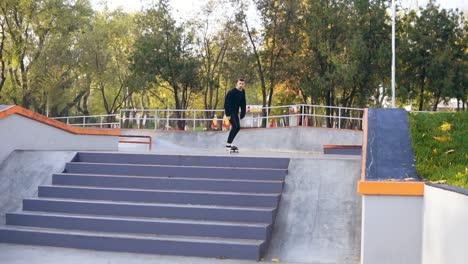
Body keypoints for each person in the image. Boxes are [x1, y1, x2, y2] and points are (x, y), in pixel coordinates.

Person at [224, 78, 246, 151]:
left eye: (242, 84)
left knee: (238, 127)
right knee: (235, 126)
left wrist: (243, 112)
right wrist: (228, 114)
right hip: (230, 112)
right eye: (240, 83)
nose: (241, 85)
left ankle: (229, 143)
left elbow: (243, 103)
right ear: (237, 83)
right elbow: (227, 103)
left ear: (244, 85)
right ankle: (228, 145)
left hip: (236, 112)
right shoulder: (231, 92)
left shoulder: (242, 92)